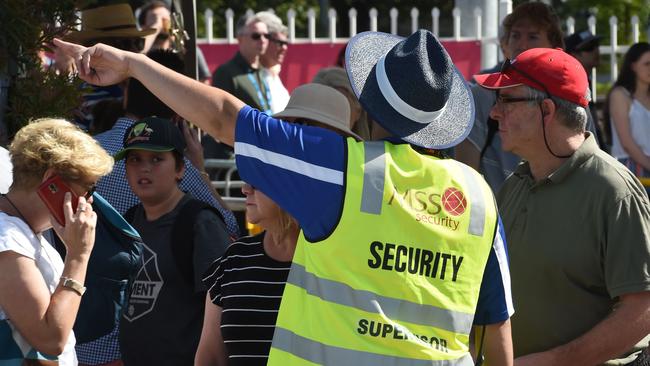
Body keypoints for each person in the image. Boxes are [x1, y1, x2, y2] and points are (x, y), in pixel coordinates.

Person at [55, 28, 514, 365]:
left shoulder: (341, 167)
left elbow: (222, 115)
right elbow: (498, 329)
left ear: (367, 102)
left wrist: (134, 65)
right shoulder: (479, 196)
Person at [474, 47, 650, 365]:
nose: (494, 113)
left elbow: (643, 308)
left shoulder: (612, 190)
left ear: (546, 109)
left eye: (505, 100)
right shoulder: (515, 185)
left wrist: (555, 360)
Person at [195, 83, 359, 365]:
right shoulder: (233, 261)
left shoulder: (346, 259)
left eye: (263, 175)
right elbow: (209, 357)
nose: (246, 187)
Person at [116, 117, 230, 365]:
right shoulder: (127, 221)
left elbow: (225, 310)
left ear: (180, 169)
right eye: (135, 159)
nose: (144, 168)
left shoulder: (201, 223)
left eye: (157, 159)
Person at [0, 118, 113, 364]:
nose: (89, 200)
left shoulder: (21, 232)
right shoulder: (7, 237)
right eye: (89, 188)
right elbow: (52, 339)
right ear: (52, 181)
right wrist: (78, 255)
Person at [455, 2, 572, 192]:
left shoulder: (568, 94)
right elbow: (465, 173)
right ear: (504, 44)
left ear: (554, 46)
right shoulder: (482, 95)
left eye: (533, 37)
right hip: (498, 214)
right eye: (515, 35)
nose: (522, 44)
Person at [63, 3, 155, 132]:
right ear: (96, 51)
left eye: (138, 42)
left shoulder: (142, 85)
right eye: (125, 44)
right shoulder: (87, 97)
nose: (135, 50)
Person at [606, 42, 650, 180]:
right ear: (633, 66)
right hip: (630, 168)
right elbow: (627, 143)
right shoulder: (620, 95)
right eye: (647, 64)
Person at [565, 29, 606, 149]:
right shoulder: (571, 85)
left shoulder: (586, 79)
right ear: (573, 54)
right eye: (589, 47)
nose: (596, 51)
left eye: (596, 45)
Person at [312, 66, 372, 140]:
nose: (328, 113)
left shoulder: (375, 150)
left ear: (358, 110)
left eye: (341, 103)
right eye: (321, 104)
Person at [256, 11, 290, 113]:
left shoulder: (273, 73)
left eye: (286, 43)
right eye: (280, 43)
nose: (284, 48)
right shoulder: (252, 75)